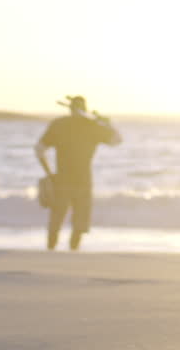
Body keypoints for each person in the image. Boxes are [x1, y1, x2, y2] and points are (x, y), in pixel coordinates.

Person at [35, 95, 122, 251]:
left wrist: (49, 173)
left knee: (56, 220)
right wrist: (107, 123)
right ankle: (73, 252)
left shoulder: (59, 125)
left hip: (62, 180)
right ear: (85, 108)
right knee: (79, 222)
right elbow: (117, 140)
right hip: (83, 181)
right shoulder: (92, 126)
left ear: (70, 108)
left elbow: (39, 150)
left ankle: (50, 251)